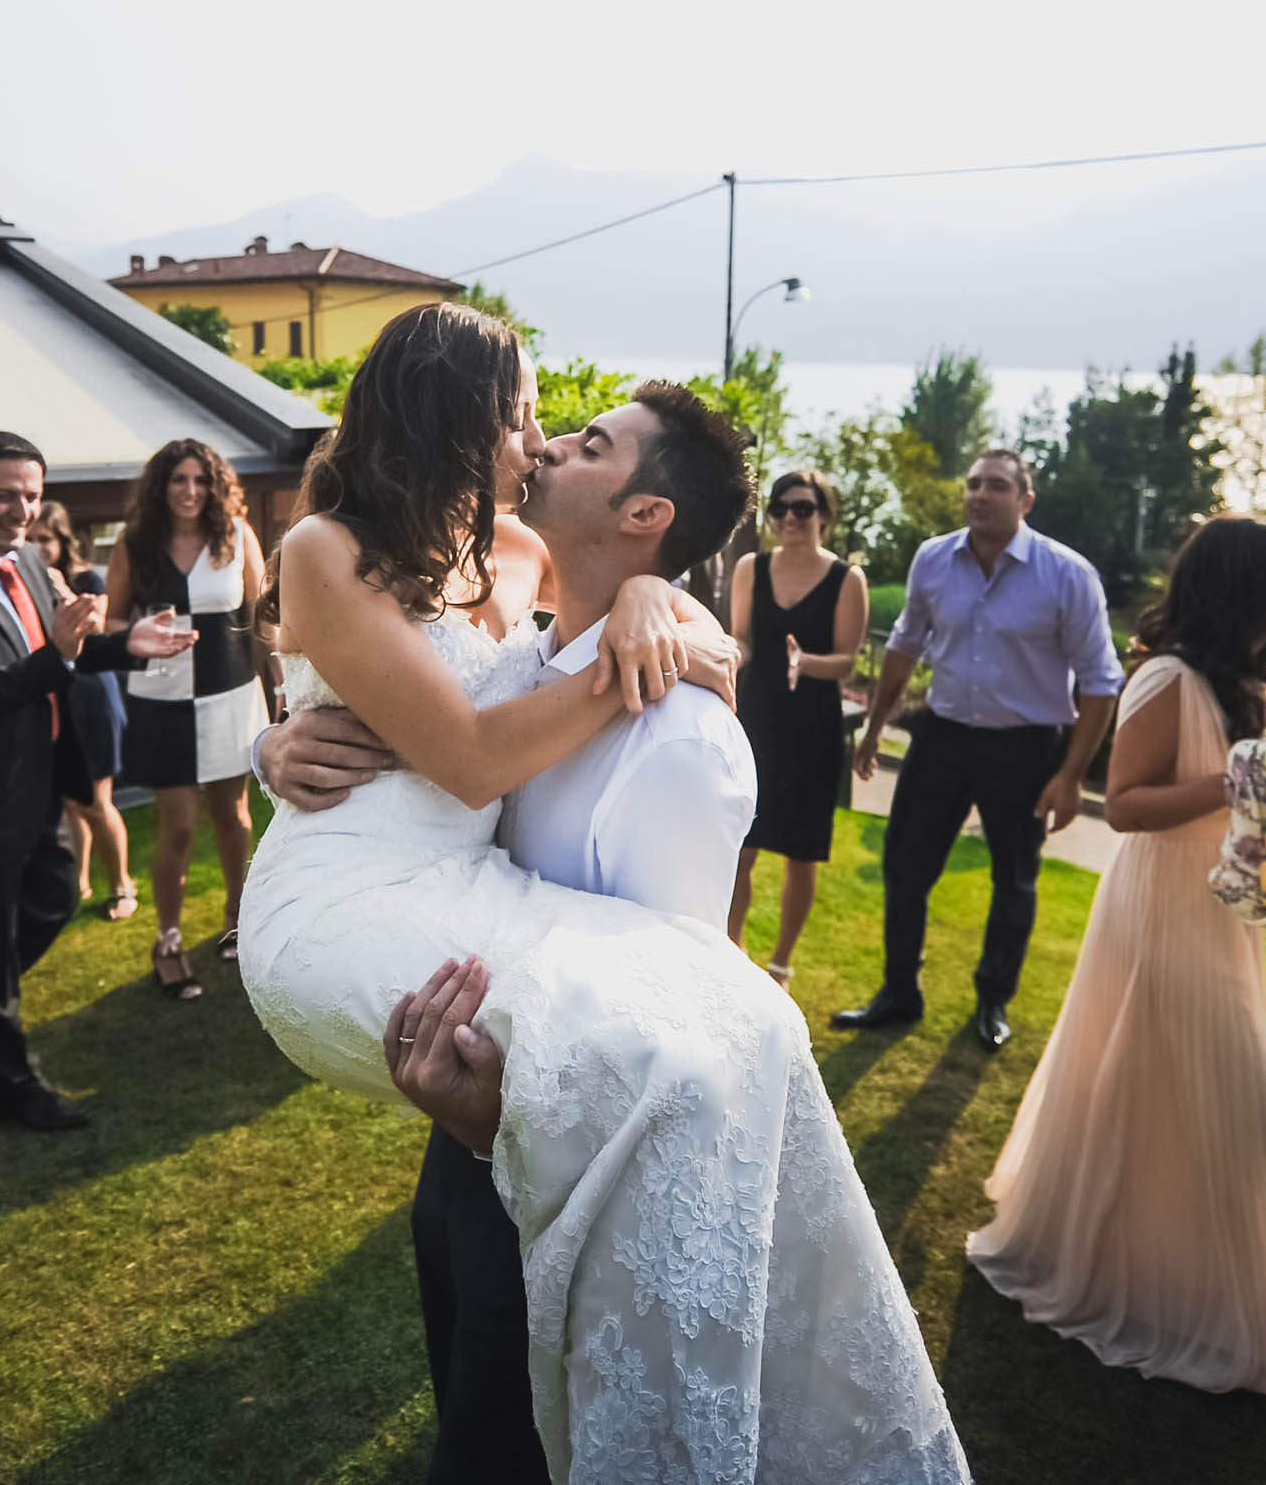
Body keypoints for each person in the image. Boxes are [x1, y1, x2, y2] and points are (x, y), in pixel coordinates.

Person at [236, 304, 968, 1483]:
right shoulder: (328, 547)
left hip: (482, 946)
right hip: (359, 903)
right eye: (530, 413)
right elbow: (469, 749)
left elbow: (663, 649)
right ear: (459, 415)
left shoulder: (517, 566)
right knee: (639, 1091)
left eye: (571, 432)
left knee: (746, 1022)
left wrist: (659, 607)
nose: (540, 436)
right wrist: (274, 750)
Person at [965, 516, 1266, 1395]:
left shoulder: (1253, 685)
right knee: (1230, 1100)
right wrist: (1235, 782)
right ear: (1254, 591)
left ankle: (1170, 1280)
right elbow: (1130, 804)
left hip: (1221, 910)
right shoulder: (1165, 678)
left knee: (1173, 1095)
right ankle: (1185, 1292)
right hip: (1158, 906)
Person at [0, 431, 196, 1131]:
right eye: (2, 495)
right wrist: (58, 653)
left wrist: (125, 646)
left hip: (34, 785)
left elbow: (62, 656)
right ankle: (15, 1087)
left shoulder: (21, 559)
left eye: (31, 495)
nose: (20, 511)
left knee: (52, 900)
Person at [839, 449, 1125, 1051]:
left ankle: (992, 1000)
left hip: (1026, 748)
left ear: (1025, 501)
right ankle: (898, 992)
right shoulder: (934, 558)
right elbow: (904, 646)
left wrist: (1072, 775)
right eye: (972, 484)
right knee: (904, 867)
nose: (979, 495)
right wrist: (872, 727)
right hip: (943, 734)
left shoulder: (1067, 575)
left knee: (1014, 878)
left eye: (996, 486)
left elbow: (1101, 681)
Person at [104, 438, 270, 990]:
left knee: (234, 815)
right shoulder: (135, 545)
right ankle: (168, 939)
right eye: (179, 479)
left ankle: (235, 920)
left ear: (216, 485)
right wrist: (136, 637)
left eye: (201, 480)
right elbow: (109, 626)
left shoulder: (236, 536)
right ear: (161, 486)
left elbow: (262, 618)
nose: (191, 491)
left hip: (230, 696)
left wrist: (283, 688)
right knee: (177, 828)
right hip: (162, 704)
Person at [724, 467, 867, 986]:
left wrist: (806, 663)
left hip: (812, 727)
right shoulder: (749, 568)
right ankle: (730, 948)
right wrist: (722, 656)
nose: (788, 517)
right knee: (741, 842)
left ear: (823, 516)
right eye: (779, 507)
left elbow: (847, 660)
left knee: (801, 853)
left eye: (802, 508)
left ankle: (781, 964)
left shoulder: (847, 580)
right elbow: (742, 639)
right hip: (755, 718)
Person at [35, 499, 137, 923]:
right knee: (71, 800)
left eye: (44, 539)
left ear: (62, 541)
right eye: (29, 539)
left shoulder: (85, 577)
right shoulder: (19, 583)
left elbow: (98, 628)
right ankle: (80, 881)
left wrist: (61, 590)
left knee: (97, 800)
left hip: (93, 695)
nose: (35, 547)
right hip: (54, 697)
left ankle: (122, 885)